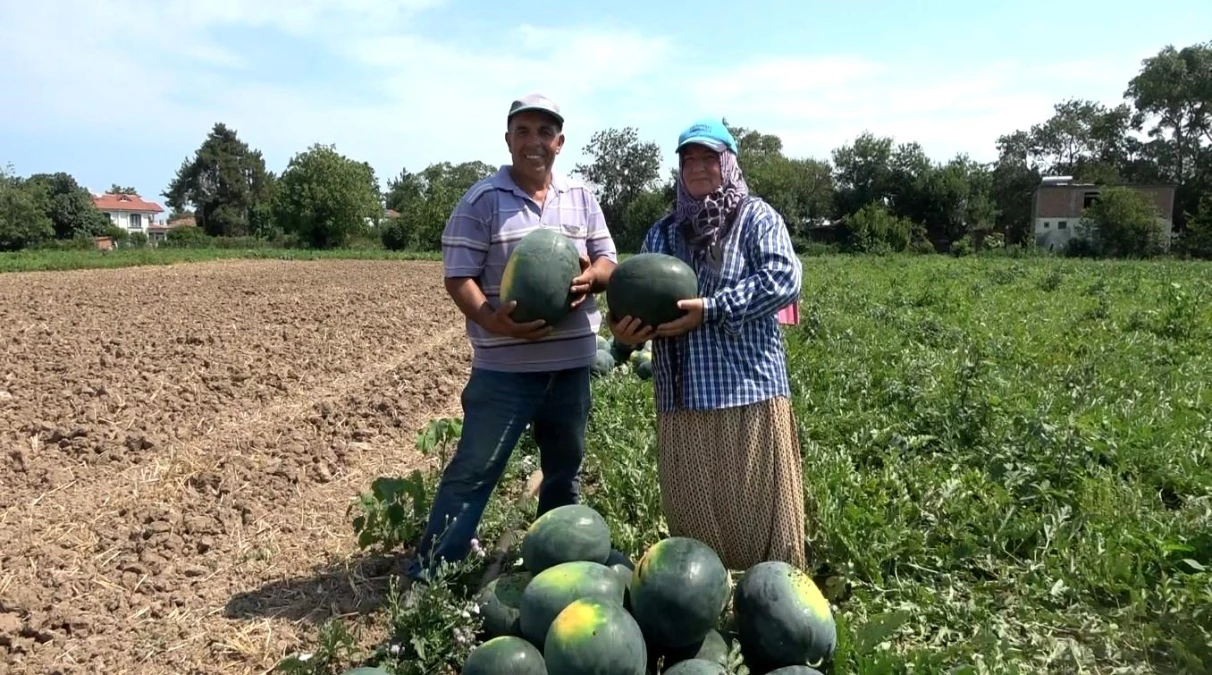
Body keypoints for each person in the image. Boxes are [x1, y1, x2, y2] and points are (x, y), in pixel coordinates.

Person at [406, 93, 618, 591]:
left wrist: (596, 277)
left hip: (570, 365)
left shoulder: (582, 198)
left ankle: (556, 560)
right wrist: (491, 320)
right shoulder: (481, 201)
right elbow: (459, 276)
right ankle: (432, 571)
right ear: (508, 139)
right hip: (504, 370)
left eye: (544, 132)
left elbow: (608, 259)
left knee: (564, 469)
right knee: (474, 469)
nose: (533, 142)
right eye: (523, 131)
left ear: (559, 143)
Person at [608, 117, 807, 571]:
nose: (698, 167)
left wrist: (712, 308)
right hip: (683, 396)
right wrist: (623, 331)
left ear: (728, 163)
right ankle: (706, 603)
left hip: (748, 392)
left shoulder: (757, 217)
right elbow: (636, 292)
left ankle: (769, 600)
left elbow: (784, 279)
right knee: (696, 519)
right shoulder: (662, 233)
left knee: (758, 515)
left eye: (708, 158)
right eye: (688, 159)